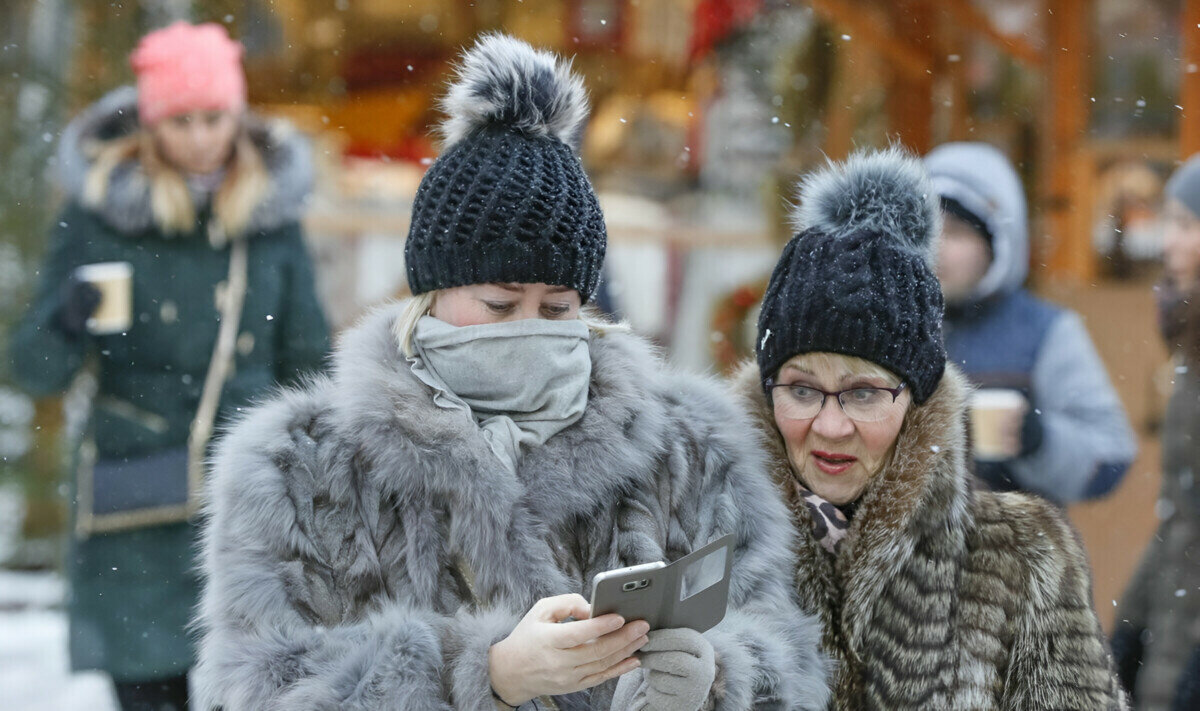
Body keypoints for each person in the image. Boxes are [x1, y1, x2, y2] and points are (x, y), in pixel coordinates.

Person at [193, 34, 829, 711]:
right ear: (432, 294)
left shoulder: (689, 447)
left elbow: (786, 648)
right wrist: (482, 673)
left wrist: (721, 673)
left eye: (557, 308)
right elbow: (251, 683)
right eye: (499, 304)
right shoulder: (297, 465)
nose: (529, 327)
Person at [733, 147, 1127, 709]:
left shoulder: (1023, 560)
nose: (831, 424)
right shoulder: (705, 542)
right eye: (800, 389)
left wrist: (1039, 439)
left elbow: (1108, 454)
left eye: (864, 393)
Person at [9, 22, 329, 711]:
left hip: (245, 504)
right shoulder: (100, 219)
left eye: (214, 117)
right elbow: (36, 370)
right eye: (181, 120)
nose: (201, 137)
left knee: (244, 688)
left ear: (237, 116)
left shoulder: (271, 221)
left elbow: (307, 365)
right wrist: (77, 308)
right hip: (135, 502)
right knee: (147, 692)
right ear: (152, 123)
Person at [924, 142, 1136, 503]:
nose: (937, 246)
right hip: (897, 557)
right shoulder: (884, 324)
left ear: (996, 243)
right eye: (925, 229)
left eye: (957, 232)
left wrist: (1038, 440)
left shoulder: (1046, 331)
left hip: (1009, 552)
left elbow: (1111, 457)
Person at [1111, 154, 1200, 711]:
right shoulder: (1190, 336)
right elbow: (1183, 510)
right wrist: (1132, 626)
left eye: (1185, 224)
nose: (1167, 241)